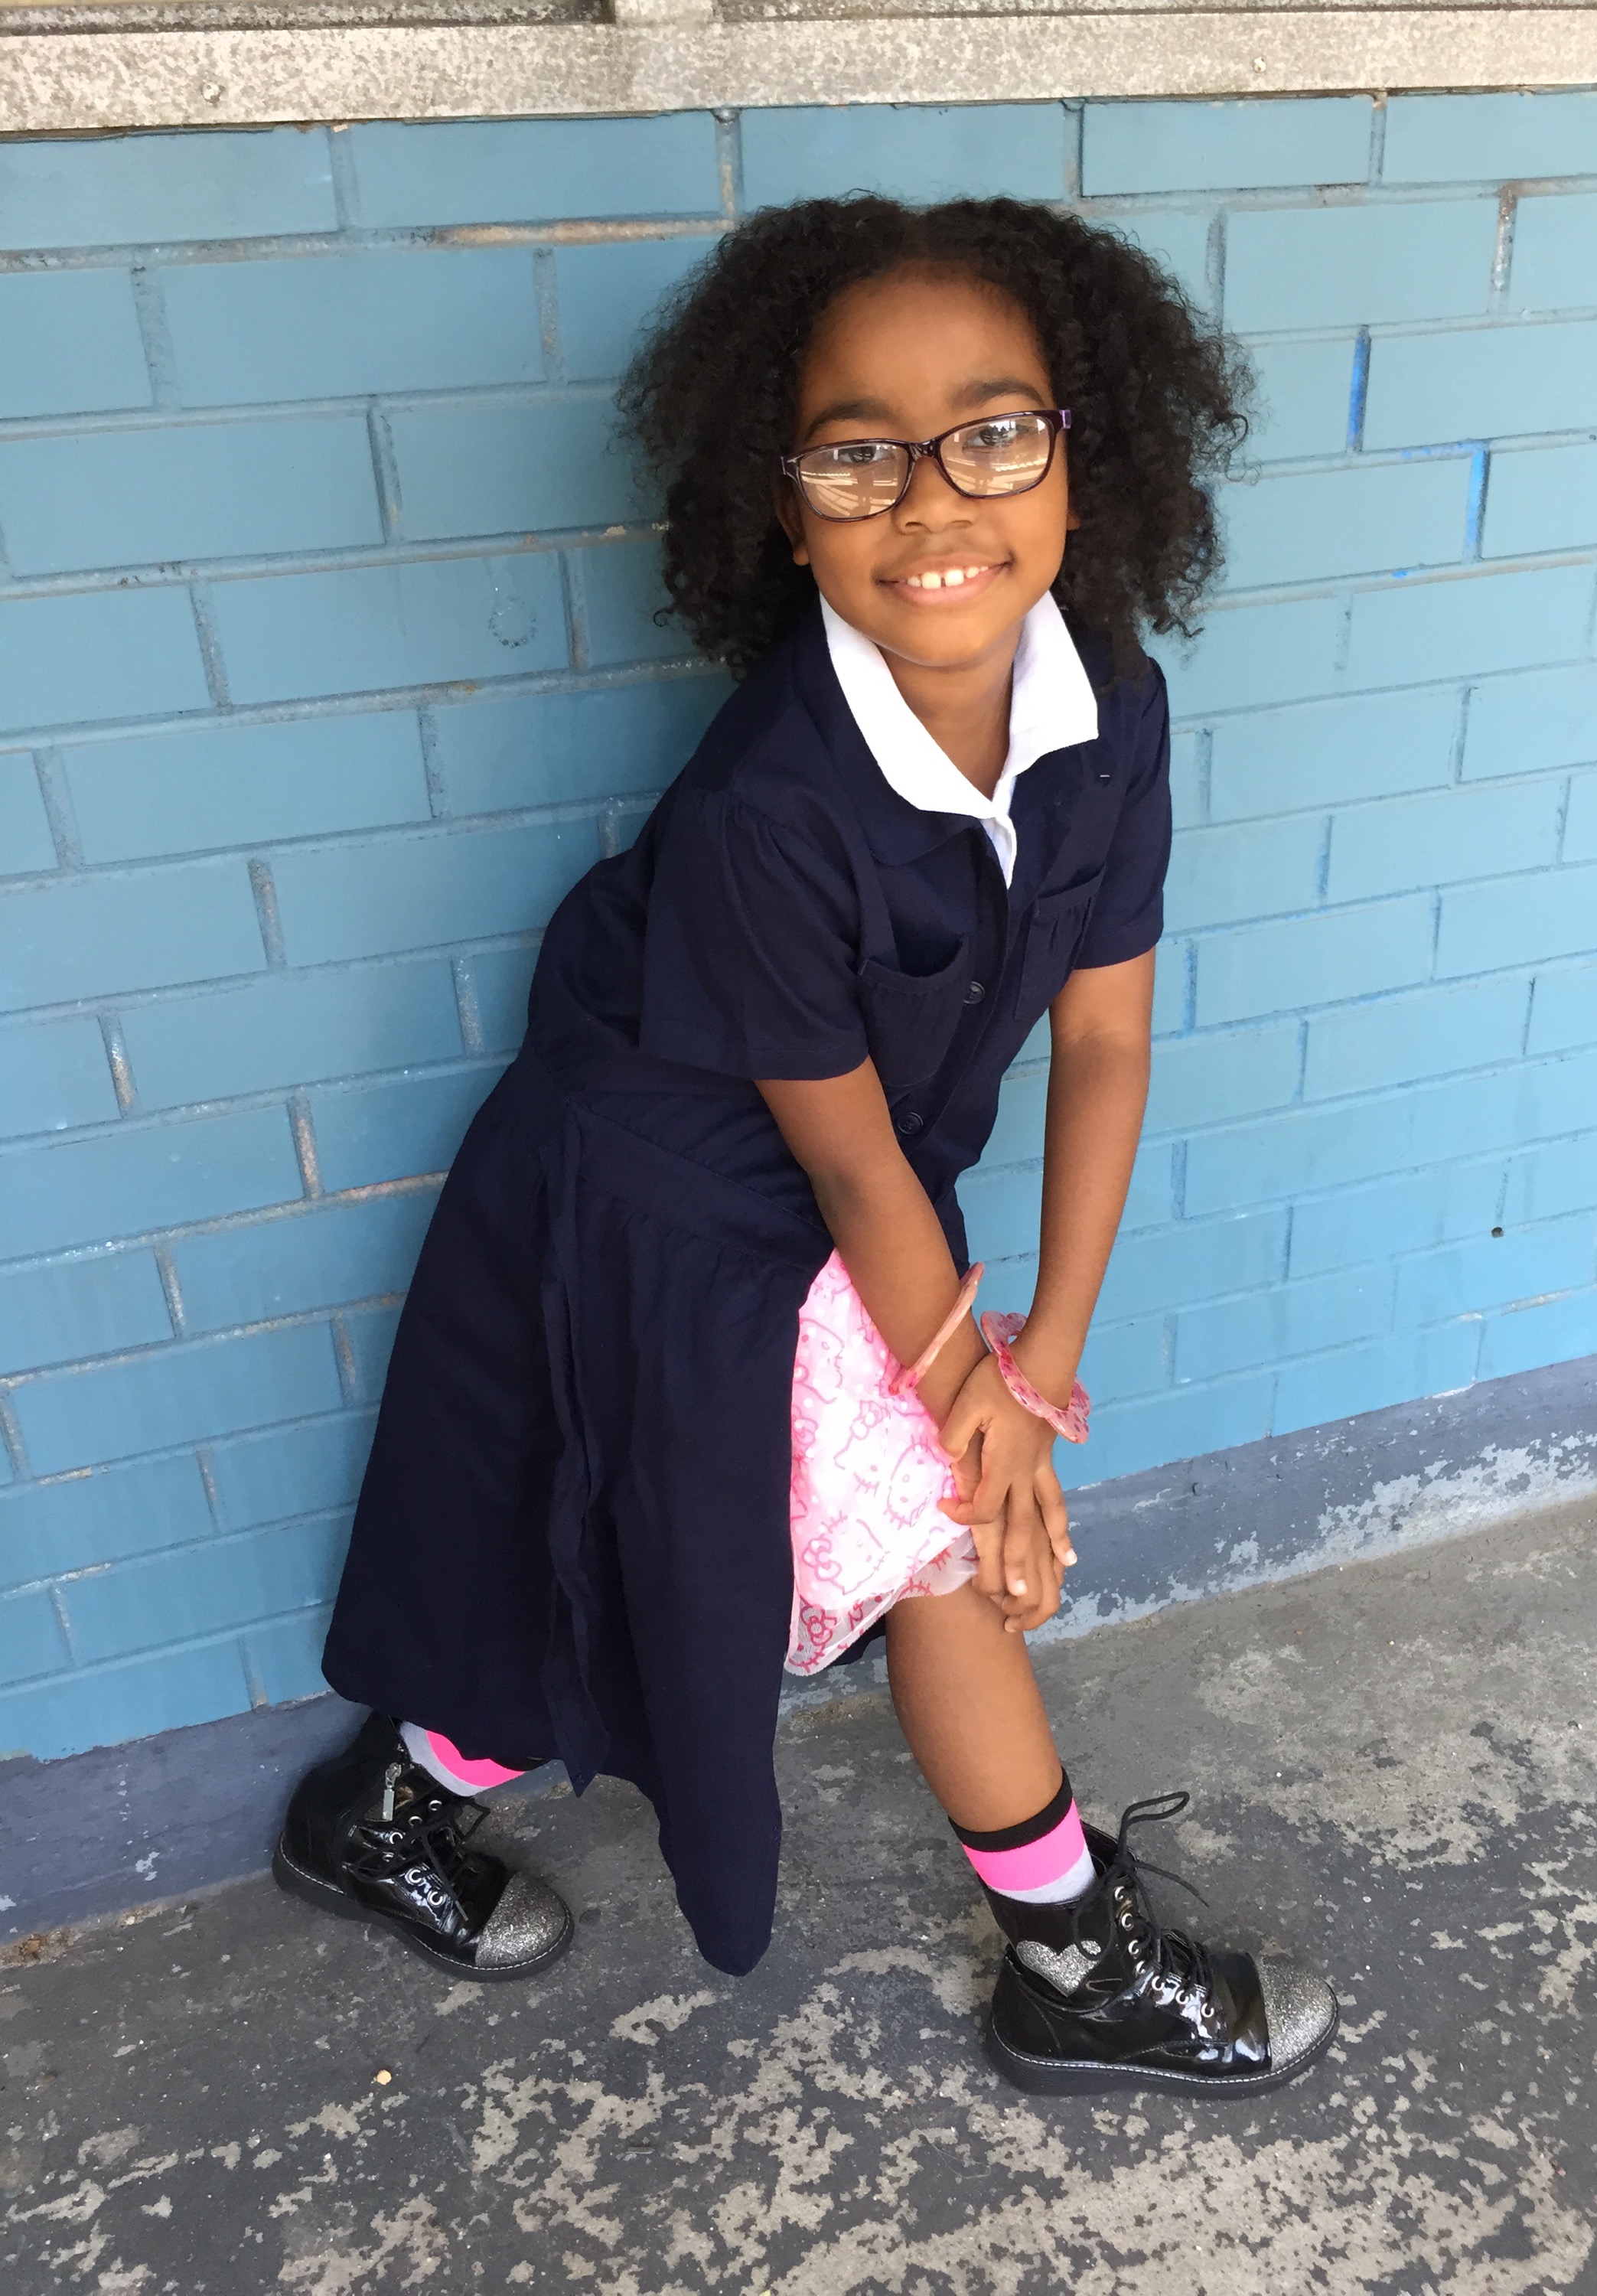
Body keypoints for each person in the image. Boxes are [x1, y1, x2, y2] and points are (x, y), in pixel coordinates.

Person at [273, 194, 1337, 2096]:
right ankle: (1073, 1961)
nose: (931, 504)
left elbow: (1104, 1036)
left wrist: (1045, 1367)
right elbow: (843, 1167)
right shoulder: (770, 802)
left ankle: (389, 1799)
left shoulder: (1114, 706)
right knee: (931, 1533)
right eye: (860, 457)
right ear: (785, 508)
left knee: (707, 1560)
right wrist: (979, 1417)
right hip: (674, 1179)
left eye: (994, 433)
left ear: (1083, 455)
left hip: (851, 1179)